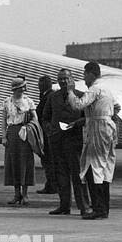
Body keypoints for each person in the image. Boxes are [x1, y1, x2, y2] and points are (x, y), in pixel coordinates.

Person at [66, 61, 119, 219]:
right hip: (107, 127)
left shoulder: (94, 89)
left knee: (94, 167)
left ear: (90, 73)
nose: (84, 77)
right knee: (105, 168)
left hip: (97, 129)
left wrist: (70, 91)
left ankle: (98, 208)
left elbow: (78, 105)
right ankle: (104, 208)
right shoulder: (107, 90)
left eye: (85, 74)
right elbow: (117, 107)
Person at [42, 68, 90, 215]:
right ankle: (64, 206)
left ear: (72, 79)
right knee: (61, 174)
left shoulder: (81, 96)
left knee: (78, 174)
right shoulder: (53, 97)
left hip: (74, 140)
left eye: (66, 78)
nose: (63, 81)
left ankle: (84, 206)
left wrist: (77, 123)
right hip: (57, 140)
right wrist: (49, 129)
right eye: (60, 78)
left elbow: (88, 117)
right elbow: (45, 117)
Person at [3, 77, 38, 205]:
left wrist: (28, 128)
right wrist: (4, 136)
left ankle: (25, 194)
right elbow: (4, 121)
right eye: (20, 88)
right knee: (13, 163)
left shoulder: (28, 101)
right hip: (12, 133)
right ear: (15, 89)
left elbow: (35, 119)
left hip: (24, 132)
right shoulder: (7, 102)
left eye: (23, 87)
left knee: (25, 163)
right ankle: (16, 193)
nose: (22, 90)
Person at [34, 75, 57, 195]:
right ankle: (51, 185)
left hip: (47, 135)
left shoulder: (48, 97)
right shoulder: (50, 95)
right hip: (49, 134)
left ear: (44, 85)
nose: (38, 86)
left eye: (40, 84)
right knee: (49, 161)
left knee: (48, 161)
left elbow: (41, 114)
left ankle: (51, 185)